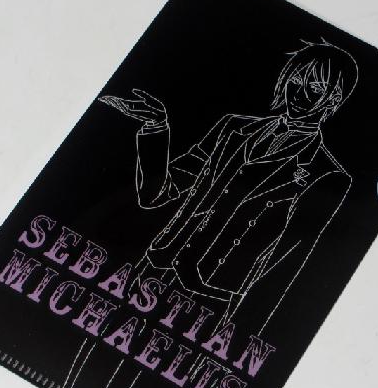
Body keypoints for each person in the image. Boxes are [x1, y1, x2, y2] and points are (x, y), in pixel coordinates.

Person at [99, 39, 358, 343]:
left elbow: (287, 262)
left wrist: (245, 324)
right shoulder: (232, 127)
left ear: (334, 98)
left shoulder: (328, 176)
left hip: (210, 296)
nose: (299, 94)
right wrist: (157, 127)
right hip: (155, 265)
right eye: (295, 82)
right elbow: (158, 194)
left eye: (314, 87)